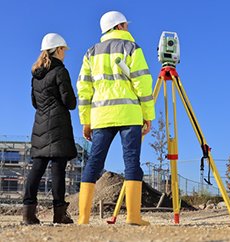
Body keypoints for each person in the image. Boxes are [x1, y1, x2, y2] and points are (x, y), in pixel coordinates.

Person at [77, 11, 155, 225]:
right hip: (129, 114)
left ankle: (83, 219)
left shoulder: (91, 53)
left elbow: (84, 89)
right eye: (125, 25)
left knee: (94, 163)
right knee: (132, 162)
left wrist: (86, 120)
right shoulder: (132, 48)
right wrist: (148, 115)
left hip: (101, 116)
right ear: (119, 26)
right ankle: (133, 217)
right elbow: (143, 83)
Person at [23, 33, 76, 224]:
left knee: (36, 169)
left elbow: (34, 102)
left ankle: (28, 214)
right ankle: (59, 214)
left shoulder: (36, 75)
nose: (65, 54)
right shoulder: (60, 71)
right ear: (58, 50)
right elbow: (69, 102)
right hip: (58, 126)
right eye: (64, 50)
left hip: (40, 125)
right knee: (58, 170)